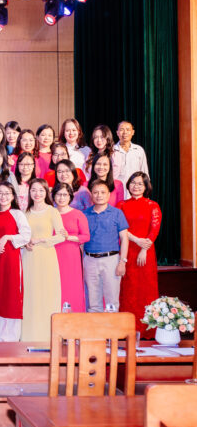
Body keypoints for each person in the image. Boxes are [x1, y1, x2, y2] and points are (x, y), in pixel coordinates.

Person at [21, 179, 66, 342]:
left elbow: (61, 236)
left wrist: (40, 240)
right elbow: (22, 236)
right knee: (30, 296)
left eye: (41, 190)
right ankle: (28, 337)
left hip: (47, 257)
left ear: (46, 192)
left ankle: (47, 337)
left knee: (47, 294)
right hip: (29, 258)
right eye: (33, 190)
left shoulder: (52, 211)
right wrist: (26, 243)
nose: (37, 193)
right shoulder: (25, 213)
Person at [117, 172, 161, 336]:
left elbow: (154, 229)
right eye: (133, 183)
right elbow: (119, 228)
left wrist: (144, 248)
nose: (136, 186)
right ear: (128, 185)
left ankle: (147, 330)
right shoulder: (121, 205)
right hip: (126, 250)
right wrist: (136, 240)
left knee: (146, 289)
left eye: (140, 184)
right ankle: (126, 330)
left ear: (146, 187)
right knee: (127, 289)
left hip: (145, 253)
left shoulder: (152, 205)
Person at [0, 182, 31, 342]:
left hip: (11, 261)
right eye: (0, 193)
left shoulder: (17, 214)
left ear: (13, 196)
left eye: (7, 193)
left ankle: (11, 339)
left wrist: (7, 237)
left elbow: (26, 235)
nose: (3, 196)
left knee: (12, 295)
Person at [83, 179, 130, 312]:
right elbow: (82, 241)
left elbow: (124, 239)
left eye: (103, 192)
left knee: (112, 302)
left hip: (111, 260)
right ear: (91, 195)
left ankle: (112, 326)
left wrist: (122, 262)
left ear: (109, 195)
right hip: (89, 260)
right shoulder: (85, 214)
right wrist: (82, 262)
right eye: (95, 192)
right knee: (93, 302)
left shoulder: (117, 213)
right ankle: (95, 325)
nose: (99, 195)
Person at [53, 182, 90, 313]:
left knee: (72, 286)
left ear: (70, 196)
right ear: (53, 196)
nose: (61, 198)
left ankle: (74, 319)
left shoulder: (78, 214)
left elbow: (86, 236)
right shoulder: (50, 214)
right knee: (55, 286)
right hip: (52, 255)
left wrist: (68, 237)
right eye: (58, 194)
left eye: (65, 195)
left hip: (71, 255)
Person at [113, 121, 149, 196]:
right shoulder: (112, 150)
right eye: (122, 129)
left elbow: (144, 172)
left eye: (128, 129)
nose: (125, 132)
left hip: (135, 191)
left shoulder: (139, 150)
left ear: (133, 132)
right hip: (116, 191)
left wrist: (146, 193)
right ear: (117, 132)